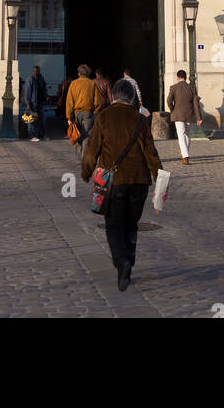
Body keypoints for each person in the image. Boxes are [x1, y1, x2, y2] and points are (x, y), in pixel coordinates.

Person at [82, 78, 163, 291]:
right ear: (132, 98)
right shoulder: (140, 120)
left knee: (114, 224)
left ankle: (122, 261)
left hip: (114, 183)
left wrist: (86, 171)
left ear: (114, 96)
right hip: (139, 181)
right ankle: (129, 257)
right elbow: (151, 154)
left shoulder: (104, 117)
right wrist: (159, 180)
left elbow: (92, 150)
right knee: (131, 222)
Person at [64, 64, 102, 161]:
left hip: (76, 113)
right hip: (88, 113)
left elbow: (69, 101)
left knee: (77, 134)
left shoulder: (73, 84)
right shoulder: (92, 83)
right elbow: (97, 102)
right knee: (86, 135)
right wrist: (95, 112)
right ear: (88, 73)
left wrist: (69, 117)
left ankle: (78, 158)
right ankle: (84, 157)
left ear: (79, 73)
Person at [166, 69, 202, 164]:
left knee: (181, 135)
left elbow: (169, 101)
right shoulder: (192, 88)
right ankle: (184, 155)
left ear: (177, 78)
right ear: (185, 78)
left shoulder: (173, 87)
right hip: (189, 114)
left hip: (178, 114)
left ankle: (185, 156)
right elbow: (196, 104)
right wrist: (199, 117)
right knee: (188, 135)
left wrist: (172, 109)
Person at [23, 65, 48, 142]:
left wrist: (46, 96)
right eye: (34, 71)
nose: (35, 72)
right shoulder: (29, 80)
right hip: (32, 103)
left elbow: (44, 88)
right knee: (31, 120)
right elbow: (27, 92)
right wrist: (27, 104)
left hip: (40, 102)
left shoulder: (41, 78)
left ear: (39, 71)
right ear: (32, 71)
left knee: (43, 119)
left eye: (37, 71)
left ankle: (41, 135)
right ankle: (31, 136)